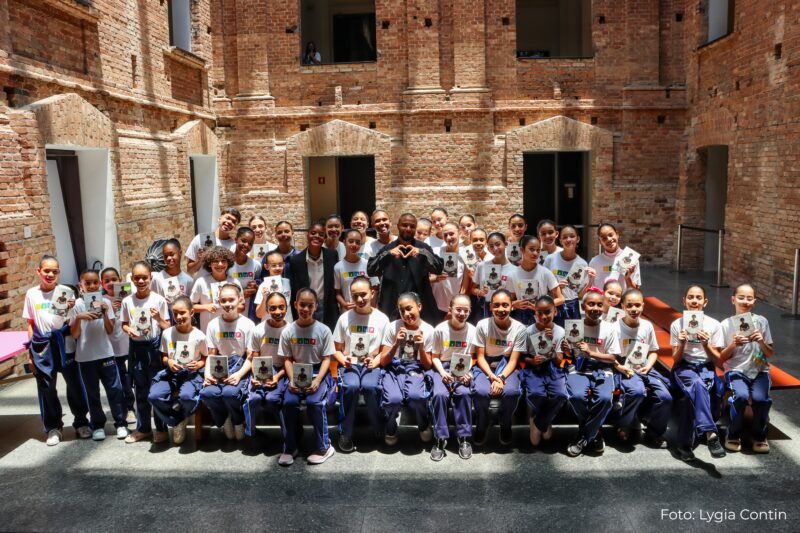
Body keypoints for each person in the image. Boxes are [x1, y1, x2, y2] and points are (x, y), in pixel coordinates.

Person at [23, 256, 91, 445]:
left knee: (75, 385)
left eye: (55, 271)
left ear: (59, 272)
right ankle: (53, 428)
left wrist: (71, 309)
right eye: (47, 271)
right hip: (42, 346)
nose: (51, 274)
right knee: (46, 388)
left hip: (65, 343)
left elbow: (74, 320)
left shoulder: (67, 292)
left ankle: (81, 422)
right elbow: (30, 323)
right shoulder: (31, 294)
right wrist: (30, 353)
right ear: (39, 271)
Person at [332, 276, 390, 452]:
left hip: (372, 364)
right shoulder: (344, 318)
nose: (359, 299)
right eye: (354, 295)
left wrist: (375, 361)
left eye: (363, 294)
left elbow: (385, 350)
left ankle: (378, 427)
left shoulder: (382, 319)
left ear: (372, 293)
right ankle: (346, 433)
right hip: (350, 364)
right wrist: (344, 360)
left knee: (371, 387)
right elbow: (335, 349)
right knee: (351, 387)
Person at [279, 288, 336, 465]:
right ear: (295, 305)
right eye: (302, 305)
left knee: (314, 402)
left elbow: (327, 359)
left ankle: (324, 446)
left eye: (310, 305)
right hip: (296, 372)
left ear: (315, 306)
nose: (305, 309)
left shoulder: (323, 330)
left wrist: (318, 380)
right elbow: (287, 359)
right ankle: (290, 446)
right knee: (289, 402)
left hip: (319, 372)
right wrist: (291, 379)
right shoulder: (288, 331)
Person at [70, 269, 128, 441]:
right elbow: (74, 335)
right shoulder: (76, 305)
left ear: (100, 284)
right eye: (87, 283)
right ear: (81, 285)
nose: (92, 286)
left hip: (106, 354)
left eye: (95, 282)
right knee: (92, 393)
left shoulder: (106, 303)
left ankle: (120, 423)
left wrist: (104, 313)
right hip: (85, 357)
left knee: (115, 390)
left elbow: (110, 330)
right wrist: (79, 318)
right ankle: (97, 425)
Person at [670, 285, 726, 460]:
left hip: (705, 368)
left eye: (698, 297)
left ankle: (683, 445)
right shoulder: (677, 324)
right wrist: (681, 344)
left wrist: (706, 344)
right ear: (684, 301)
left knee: (692, 396)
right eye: (690, 297)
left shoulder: (714, 325)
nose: (694, 301)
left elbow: (717, 360)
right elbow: (676, 359)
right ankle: (711, 433)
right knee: (696, 384)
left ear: (705, 302)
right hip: (684, 368)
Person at [612, 289, 672, 447]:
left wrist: (648, 366)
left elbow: (653, 351)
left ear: (643, 306)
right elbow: (610, 357)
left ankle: (654, 432)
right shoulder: (615, 327)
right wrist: (621, 368)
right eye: (629, 305)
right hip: (624, 367)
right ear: (623, 306)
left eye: (637, 305)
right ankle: (624, 423)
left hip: (644, 366)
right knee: (636, 392)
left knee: (665, 397)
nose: (634, 309)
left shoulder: (647, 326)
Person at [564, 289, 620, 457]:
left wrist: (591, 353)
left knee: (604, 399)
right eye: (591, 304)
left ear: (604, 307)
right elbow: (571, 356)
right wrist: (567, 350)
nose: (595, 308)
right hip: (580, 368)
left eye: (599, 304)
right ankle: (594, 433)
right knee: (576, 396)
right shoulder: (575, 326)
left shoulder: (609, 328)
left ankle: (583, 436)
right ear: (583, 306)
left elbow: (612, 357)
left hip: (602, 368)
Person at [120, 261, 171, 443]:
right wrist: (128, 330)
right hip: (136, 350)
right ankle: (143, 429)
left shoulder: (159, 300)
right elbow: (124, 323)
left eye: (144, 277)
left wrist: (158, 318)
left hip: (154, 348)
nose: (141, 281)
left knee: (156, 390)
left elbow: (167, 326)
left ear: (151, 278)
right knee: (140, 391)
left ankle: (162, 429)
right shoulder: (127, 301)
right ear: (132, 279)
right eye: (137, 278)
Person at [720, 283, 774, 453]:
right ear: (733, 299)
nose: (745, 301)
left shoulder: (761, 321)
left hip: (760, 370)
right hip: (736, 370)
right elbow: (721, 358)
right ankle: (733, 433)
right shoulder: (726, 324)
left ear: (754, 301)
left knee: (761, 399)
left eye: (749, 298)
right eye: (741, 297)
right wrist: (732, 345)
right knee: (741, 396)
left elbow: (770, 353)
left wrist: (761, 341)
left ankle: (759, 435)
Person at [377, 292, 436, 446]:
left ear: (419, 306)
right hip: (394, 365)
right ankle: (390, 428)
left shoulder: (429, 330)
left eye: (409, 308)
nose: (406, 314)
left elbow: (428, 365)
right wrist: (396, 343)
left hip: (416, 366)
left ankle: (423, 425)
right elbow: (383, 361)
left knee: (416, 396)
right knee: (392, 400)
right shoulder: (393, 326)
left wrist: (421, 347)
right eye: (402, 311)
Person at [148, 297, 207, 445]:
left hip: (191, 374)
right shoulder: (167, 333)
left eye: (182, 313)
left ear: (192, 312)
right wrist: (169, 362)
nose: (179, 317)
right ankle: (177, 420)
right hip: (172, 373)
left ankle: (184, 412)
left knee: (187, 397)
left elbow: (206, 359)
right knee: (154, 396)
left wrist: (198, 365)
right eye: (175, 314)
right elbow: (165, 357)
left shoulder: (199, 336)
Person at [199, 283, 255, 441]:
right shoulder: (212, 325)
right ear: (218, 301)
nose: (228, 304)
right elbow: (211, 354)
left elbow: (250, 357)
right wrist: (207, 375)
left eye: (231, 300)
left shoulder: (248, 324)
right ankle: (224, 419)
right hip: (219, 365)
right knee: (207, 393)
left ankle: (238, 420)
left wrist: (238, 375)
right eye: (224, 300)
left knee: (230, 393)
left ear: (240, 300)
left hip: (240, 366)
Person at [367, 213, 444, 324]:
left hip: (421, 310)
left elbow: (438, 268)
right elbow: (371, 270)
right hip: (392, 309)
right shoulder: (387, 249)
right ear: (398, 226)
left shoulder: (423, 248)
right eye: (405, 225)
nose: (408, 229)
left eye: (412, 226)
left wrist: (422, 253)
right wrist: (388, 255)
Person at [472, 290, 526, 446]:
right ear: (490, 307)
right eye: (496, 305)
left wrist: (501, 378)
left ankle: (505, 422)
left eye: (505, 305)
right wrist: (492, 377)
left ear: (511, 307)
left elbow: (514, 359)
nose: (501, 309)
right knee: (481, 392)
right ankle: (482, 424)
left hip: (507, 365)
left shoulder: (519, 329)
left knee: (511, 392)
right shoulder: (482, 325)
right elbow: (480, 356)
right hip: (486, 366)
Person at [429, 294, 476, 461]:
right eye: (458, 309)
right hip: (443, 367)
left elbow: (472, 356)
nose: (462, 313)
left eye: (466, 310)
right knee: (440, 395)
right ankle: (440, 438)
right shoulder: (440, 329)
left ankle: (463, 437)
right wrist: (443, 373)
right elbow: (434, 356)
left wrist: (467, 372)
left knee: (464, 394)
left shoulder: (472, 330)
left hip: (462, 366)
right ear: (450, 310)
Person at [522, 295, 568, 447]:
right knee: (536, 394)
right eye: (539, 313)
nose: (543, 316)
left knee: (560, 394)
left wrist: (552, 347)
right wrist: (532, 360)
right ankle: (543, 420)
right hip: (534, 368)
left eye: (547, 312)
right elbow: (523, 357)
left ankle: (539, 423)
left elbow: (559, 360)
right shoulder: (529, 331)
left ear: (555, 311)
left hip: (553, 368)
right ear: (534, 313)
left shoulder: (560, 331)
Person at [246, 292, 291, 439]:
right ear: (266, 309)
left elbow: (291, 360)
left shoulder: (291, 330)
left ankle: (288, 435)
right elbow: (255, 356)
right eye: (273, 308)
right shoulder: (259, 330)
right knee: (254, 399)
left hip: (282, 370)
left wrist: (277, 377)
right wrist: (256, 376)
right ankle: (251, 433)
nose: (277, 312)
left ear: (287, 307)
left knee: (272, 399)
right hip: (262, 368)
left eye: (281, 307)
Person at [287, 221, 339, 330]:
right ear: (307, 235)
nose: (317, 236)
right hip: (305, 306)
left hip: (327, 305)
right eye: (313, 233)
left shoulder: (332, 255)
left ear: (324, 238)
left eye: (321, 234)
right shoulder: (296, 260)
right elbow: (294, 287)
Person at [101, 267, 136, 422]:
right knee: (121, 381)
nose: (111, 283)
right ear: (102, 284)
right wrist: (113, 311)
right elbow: (107, 328)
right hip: (113, 349)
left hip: (131, 345)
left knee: (131, 379)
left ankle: (135, 406)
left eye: (114, 279)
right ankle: (127, 409)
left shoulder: (129, 298)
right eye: (107, 281)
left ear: (120, 279)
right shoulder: (102, 302)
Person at [507, 235, 563, 326]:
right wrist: (514, 304)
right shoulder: (512, 275)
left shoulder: (546, 272)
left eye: (538, 250)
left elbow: (561, 299)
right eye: (531, 249)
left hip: (542, 318)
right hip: (520, 319)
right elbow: (509, 300)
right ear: (522, 250)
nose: (535, 253)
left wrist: (541, 306)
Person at [544, 225, 593, 325]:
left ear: (578, 239)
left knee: (573, 339)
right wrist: (556, 287)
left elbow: (580, 296)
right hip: (554, 304)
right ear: (560, 240)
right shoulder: (550, 259)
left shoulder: (582, 264)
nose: (568, 239)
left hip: (572, 306)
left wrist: (591, 281)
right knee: (553, 337)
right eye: (565, 237)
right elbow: (543, 286)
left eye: (572, 236)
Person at [190, 246, 242, 333]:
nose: (220, 264)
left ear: (228, 263)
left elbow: (242, 306)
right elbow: (191, 306)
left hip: (231, 330)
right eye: (215, 261)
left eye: (223, 261)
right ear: (209, 264)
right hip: (208, 330)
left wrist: (230, 306)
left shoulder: (234, 282)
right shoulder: (201, 282)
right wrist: (206, 307)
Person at [465, 232, 514, 321]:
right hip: (485, 309)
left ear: (506, 244)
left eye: (498, 244)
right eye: (491, 246)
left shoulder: (515, 270)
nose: (495, 248)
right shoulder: (482, 266)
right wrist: (481, 292)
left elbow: (515, 296)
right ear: (488, 248)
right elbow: (472, 289)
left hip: (505, 310)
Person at [185, 207, 241, 274]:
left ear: (235, 226)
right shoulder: (200, 239)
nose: (229, 222)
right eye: (227, 218)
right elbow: (190, 271)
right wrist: (201, 259)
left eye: (234, 222)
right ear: (220, 218)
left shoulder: (234, 247)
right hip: (203, 284)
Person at [589, 223, 641, 292]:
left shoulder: (632, 260)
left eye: (611, 235)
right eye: (604, 238)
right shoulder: (595, 261)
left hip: (623, 301)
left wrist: (627, 278)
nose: (609, 239)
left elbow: (636, 291)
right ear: (600, 242)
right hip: (602, 301)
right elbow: (590, 288)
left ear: (617, 234)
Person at [431, 222, 465, 315]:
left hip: (457, 308)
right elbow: (427, 275)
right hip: (436, 305)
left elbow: (468, 283)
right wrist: (434, 278)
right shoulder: (436, 252)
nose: (448, 238)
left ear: (459, 233)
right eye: (445, 235)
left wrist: (459, 304)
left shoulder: (467, 254)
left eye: (451, 234)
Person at [334, 229, 371, 313]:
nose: (354, 245)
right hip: (347, 311)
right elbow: (337, 293)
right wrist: (344, 304)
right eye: (351, 241)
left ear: (361, 244)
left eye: (357, 242)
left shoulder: (367, 264)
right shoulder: (338, 267)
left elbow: (374, 289)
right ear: (344, 242)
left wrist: (371, 306)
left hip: (365, 310)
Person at [230, 227, 262, 317]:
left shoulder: (256, 265)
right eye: (243, 241)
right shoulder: (226, 264)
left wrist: (256, 287)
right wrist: (241, 294)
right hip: (229, 310)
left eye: (250, 243)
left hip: (249, 312)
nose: (246, 245)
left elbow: (260, 286)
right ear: (236, 240)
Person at [152, 239, 193, 308]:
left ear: (180, 253)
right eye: (165, 256)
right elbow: (151, 301)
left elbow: (191, 305)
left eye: (171, 254)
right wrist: (162, 302)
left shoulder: (188, 281)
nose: (168, 258)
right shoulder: (157, 279)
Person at [255, 251, 294, 323]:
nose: (278, 268)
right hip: (269, 326)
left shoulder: (288, 282)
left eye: (280, 265)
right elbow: (259, 314)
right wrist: (264, 299)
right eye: (274, 265)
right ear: (266, 266)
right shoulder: (263, 286)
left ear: (284, 265)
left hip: (286, 325)